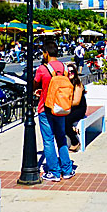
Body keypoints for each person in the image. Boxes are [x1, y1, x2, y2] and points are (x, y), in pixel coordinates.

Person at [33, 40, 76, 182]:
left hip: (45, 108)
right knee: (61, 138)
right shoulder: (64, 67)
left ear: (45, 53)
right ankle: (67, 169)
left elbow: (36, 83)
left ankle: (54, 172)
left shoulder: (42, 69)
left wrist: (38, 91)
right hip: (60, 107)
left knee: (48, 140)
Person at [64, 62, 86, 152]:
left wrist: (64, 105)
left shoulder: (78, 84)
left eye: (72, 71)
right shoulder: (65, 83)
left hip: (79, 109)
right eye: (68, 72)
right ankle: (72, 130)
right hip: (69, 107)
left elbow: (76, 102)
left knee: (66, 120)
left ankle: (75, 142)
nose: (70, 73)